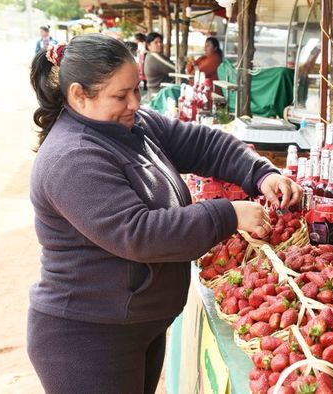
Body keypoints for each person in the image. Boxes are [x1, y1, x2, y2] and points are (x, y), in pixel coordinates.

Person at [28, 34, 301, 394]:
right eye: (120, 95)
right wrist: (227, 215)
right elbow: (140, 233)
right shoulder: (72, 158)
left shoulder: (132, 126)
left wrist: (261, 172)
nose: (134, 104)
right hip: (88, 337)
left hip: (133, 324)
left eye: (137, 90)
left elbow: (203, 143)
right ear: (79, 94)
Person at [143, 32, 175, 98]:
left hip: (155, 92)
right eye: (156, 42)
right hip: (160, 94)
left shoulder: (150, 55)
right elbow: (175, 69)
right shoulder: (154, 56)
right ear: (149, 46)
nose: (159, 44)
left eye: (160, 42)